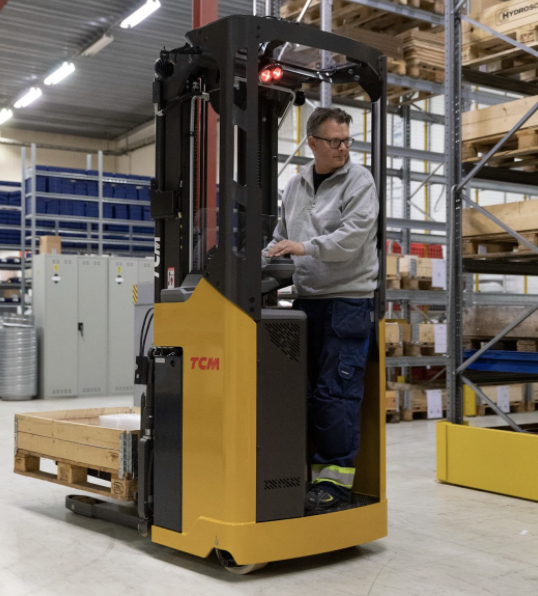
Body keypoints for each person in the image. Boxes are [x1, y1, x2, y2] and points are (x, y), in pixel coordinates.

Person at [264, 106, 379, 511]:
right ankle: (302, 476)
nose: (343, 148)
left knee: (335, 394)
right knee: (302, 393)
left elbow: (352, 238)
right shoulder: (296, 185)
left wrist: (303, 247)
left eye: (347, 140)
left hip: (346, 302)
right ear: (312, 143)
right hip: (306, 303)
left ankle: (335, 484)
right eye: (335, 141)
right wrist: (259, 260)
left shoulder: (359, 180)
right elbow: (281, 236)